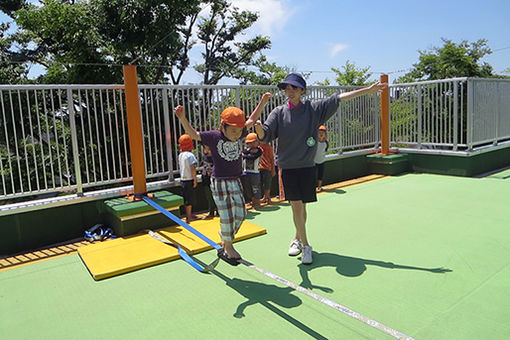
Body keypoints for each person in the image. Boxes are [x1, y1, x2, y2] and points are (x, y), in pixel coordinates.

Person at [252, 73, 386, 265]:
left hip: (307, 166)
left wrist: (368, 90)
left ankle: (296, 238)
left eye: (294, 88)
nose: (289, 92)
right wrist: (258, 128)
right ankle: (306, 246)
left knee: (302, 207)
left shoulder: (313, 109)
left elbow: (338, 98)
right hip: (288, 168)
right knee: (296, 206)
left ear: (302, 91)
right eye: (287, 88)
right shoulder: (278, 112)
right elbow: (265, 135)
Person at [173, 92, 271, 265]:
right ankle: (229, 245)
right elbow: (194, 134)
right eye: (232, 130)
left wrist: (263, 101)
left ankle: (225, 238)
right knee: (226, 215)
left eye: (239, 131)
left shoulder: (240, 134)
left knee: (241, 213)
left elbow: (252, 118)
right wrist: (182, 118)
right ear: (223, 126)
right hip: (219, 181)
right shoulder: (214, 136)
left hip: (234, 179)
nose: (236, 134)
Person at [178, 134, 199, 224]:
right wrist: (195, 179)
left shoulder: (181, 155)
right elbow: (192, 168)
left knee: (186, 198)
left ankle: (189, 215)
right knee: (189, 199)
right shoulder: (190, 155)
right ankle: (189, 217)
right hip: (189, 179)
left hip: (183, 179)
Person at [242, 132, 263, 210]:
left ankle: (257, 202)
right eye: (250, 143)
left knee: (256, 187)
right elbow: (244, 154)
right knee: (248, 188)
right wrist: (246, 155)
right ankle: (253, 201)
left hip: (255, 172)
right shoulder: (247, 150)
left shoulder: (259, 151)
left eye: (254, 142)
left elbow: (253, 157)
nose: (252, 144)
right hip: (246, 172)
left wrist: (246, 156)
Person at [201, 144, 217, 218]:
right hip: (206, 178)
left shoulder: (216, 157)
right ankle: (211, 211)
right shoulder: (204, 156)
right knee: (208, 195)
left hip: (214, 178)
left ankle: (218, 210)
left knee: (216, 195)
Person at [314, 125, 329, 192]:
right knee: (312, 175)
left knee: (320, 175)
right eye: (319, 132)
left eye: (322, 133)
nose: (321, 134)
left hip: (322, 161)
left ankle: (319, 187)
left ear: (325, 134)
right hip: (313, 161)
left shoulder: (326, 143)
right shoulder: (314, 142)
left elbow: (325, 150)